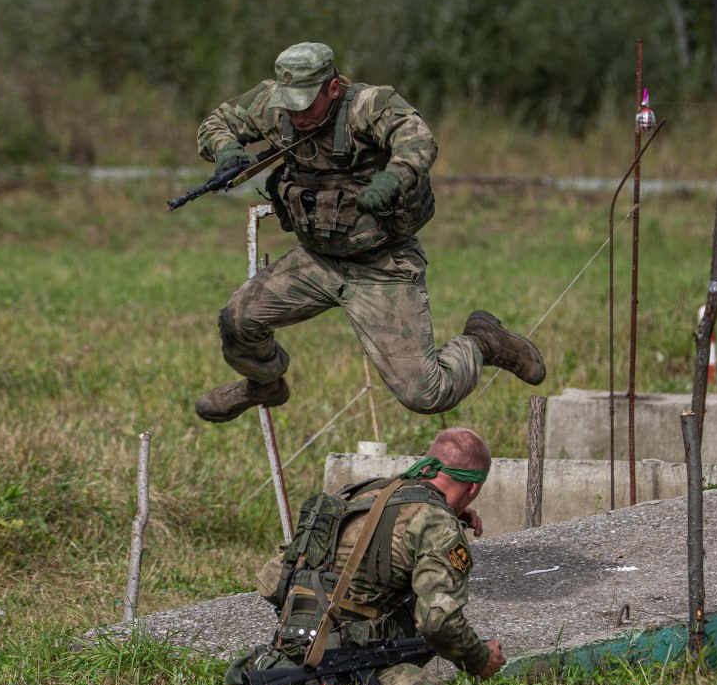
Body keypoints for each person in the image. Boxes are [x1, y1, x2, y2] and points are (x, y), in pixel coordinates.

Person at [191, 41, 545, 423]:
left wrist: (394, 178)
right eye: (289, 105)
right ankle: (265, 384)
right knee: (238, 319)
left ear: (331, 88)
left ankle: (482, 342)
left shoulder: (370, 105)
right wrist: (226, 150)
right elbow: (217, 123)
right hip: (318, 259)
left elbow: (418, 139)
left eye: (306, 104)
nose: (297, 115)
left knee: (427, 394)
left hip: (382, 264)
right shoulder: (274, 105)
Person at [225, 427, 505, 685]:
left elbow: (271, 581)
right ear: (472, 488)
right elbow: (437, 622)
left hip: (288, 649)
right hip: (357, 662)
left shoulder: (363, 493)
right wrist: (479, 659)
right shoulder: (437, 524)